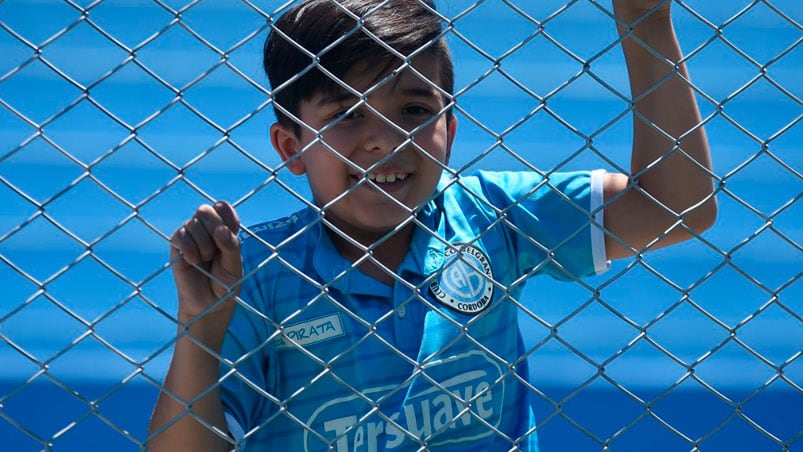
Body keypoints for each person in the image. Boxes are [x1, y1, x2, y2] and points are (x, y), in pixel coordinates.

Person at [148, 0, 717, 450]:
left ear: (451, 128)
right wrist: (202, 325)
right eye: (346, 115)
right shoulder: (255, 276)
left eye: (414, 111)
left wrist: (646, 19)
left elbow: (677, 206)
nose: (385, 139)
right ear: (291, 146)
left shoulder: (491, 215)